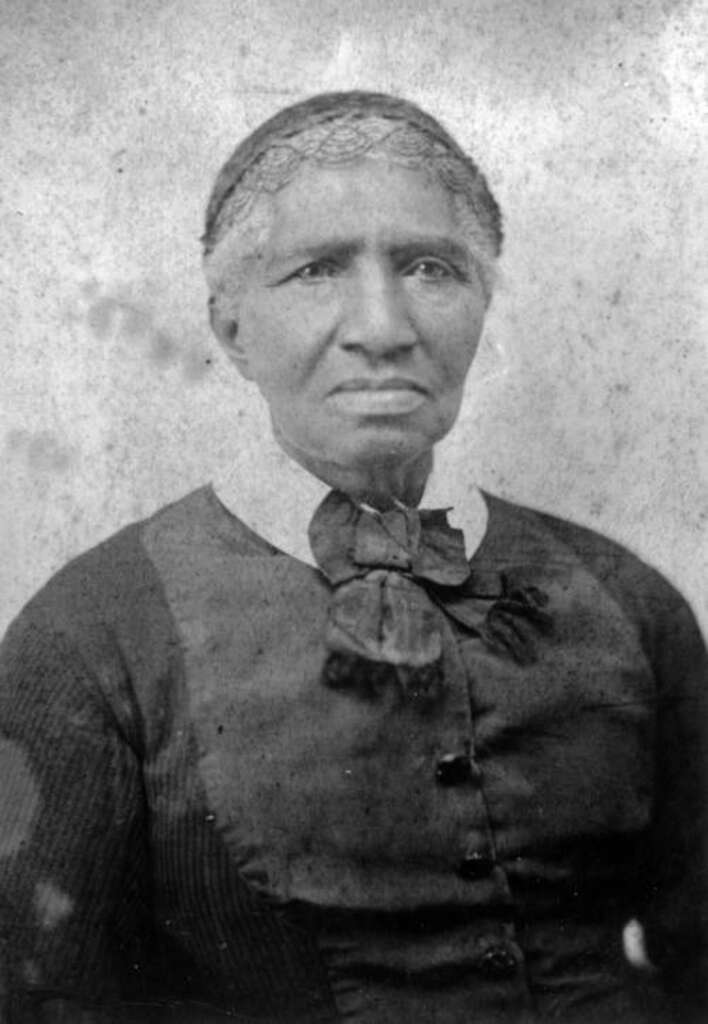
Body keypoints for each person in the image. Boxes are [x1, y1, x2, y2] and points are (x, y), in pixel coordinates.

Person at [0, 91, 706, 1024]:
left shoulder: (627, 602)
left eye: (429, 268)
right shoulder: (91, 641)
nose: (382, 326)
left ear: (482, 305)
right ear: (231, 329)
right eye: (317, 271)